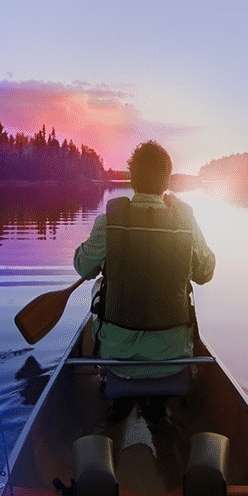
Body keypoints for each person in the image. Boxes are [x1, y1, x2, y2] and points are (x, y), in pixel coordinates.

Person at [74, 141, 215, 382]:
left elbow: (83, 268)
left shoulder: (109, 222)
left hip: (118, 359)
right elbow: (205, 273)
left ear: (131, 178)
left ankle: (93, 376)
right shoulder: (185, 222)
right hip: (174, 357)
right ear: (167, 181)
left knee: (97, 291)